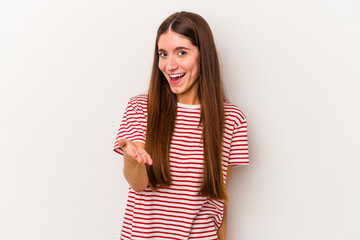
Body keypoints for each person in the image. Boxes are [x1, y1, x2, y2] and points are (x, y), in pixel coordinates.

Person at [114, 11, 249, 240]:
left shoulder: (232, 118)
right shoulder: (140, 107)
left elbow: (220, 198)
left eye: (182, 53)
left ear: (203, 55)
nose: (170, 65)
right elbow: (138, 184)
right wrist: (131, 158)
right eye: (163, 54)